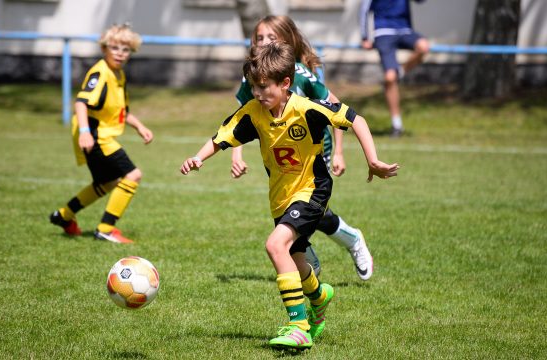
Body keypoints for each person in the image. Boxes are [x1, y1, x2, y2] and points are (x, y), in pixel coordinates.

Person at [180, 42, 399, 350]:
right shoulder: (254, 112)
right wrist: (198, 157)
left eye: (263, 87)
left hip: (312, 189)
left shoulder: (306, 108)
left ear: (285, 84)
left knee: (275, 245)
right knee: (296, 260)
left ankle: (298, 325)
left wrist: (373, 160)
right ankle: (320, 297)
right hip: (280, 197)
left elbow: (355, 119)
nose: (257, 94)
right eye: (254, 87)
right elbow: (222, 135)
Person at [233, 15, 374, 281]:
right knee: (302, 209)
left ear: (286, 41)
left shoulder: (300, 73)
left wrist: (340, 152)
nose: (264, 42)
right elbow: (241, 118)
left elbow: (336, 109)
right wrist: (236, 154)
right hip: (281, 155)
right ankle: (323, 248)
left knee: (306, 207)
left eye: (271, 38)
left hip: (314, 150)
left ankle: (324, 251)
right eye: (259, 37)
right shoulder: (252, 76)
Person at [49, 24, 153, 244]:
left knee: (106, 182)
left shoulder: (118, 75)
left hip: (100, 134)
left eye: (125, 49)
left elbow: (122, 110)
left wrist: (139, 126)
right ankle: (106, 229)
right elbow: (81, 103)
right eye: (114, 47)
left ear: (131, 52)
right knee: (133, 175)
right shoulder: (100, 72)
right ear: (104, 49)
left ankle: (64, 215)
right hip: (95, 135)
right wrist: (85, 132)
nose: (119, 53)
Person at [360, 0, 429, 137]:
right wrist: (365, 37)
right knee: (390, 78)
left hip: (404, 30)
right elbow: (364, 10)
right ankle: (397, 125)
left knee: (423, 46)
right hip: (383, 32)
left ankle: (401, 70)